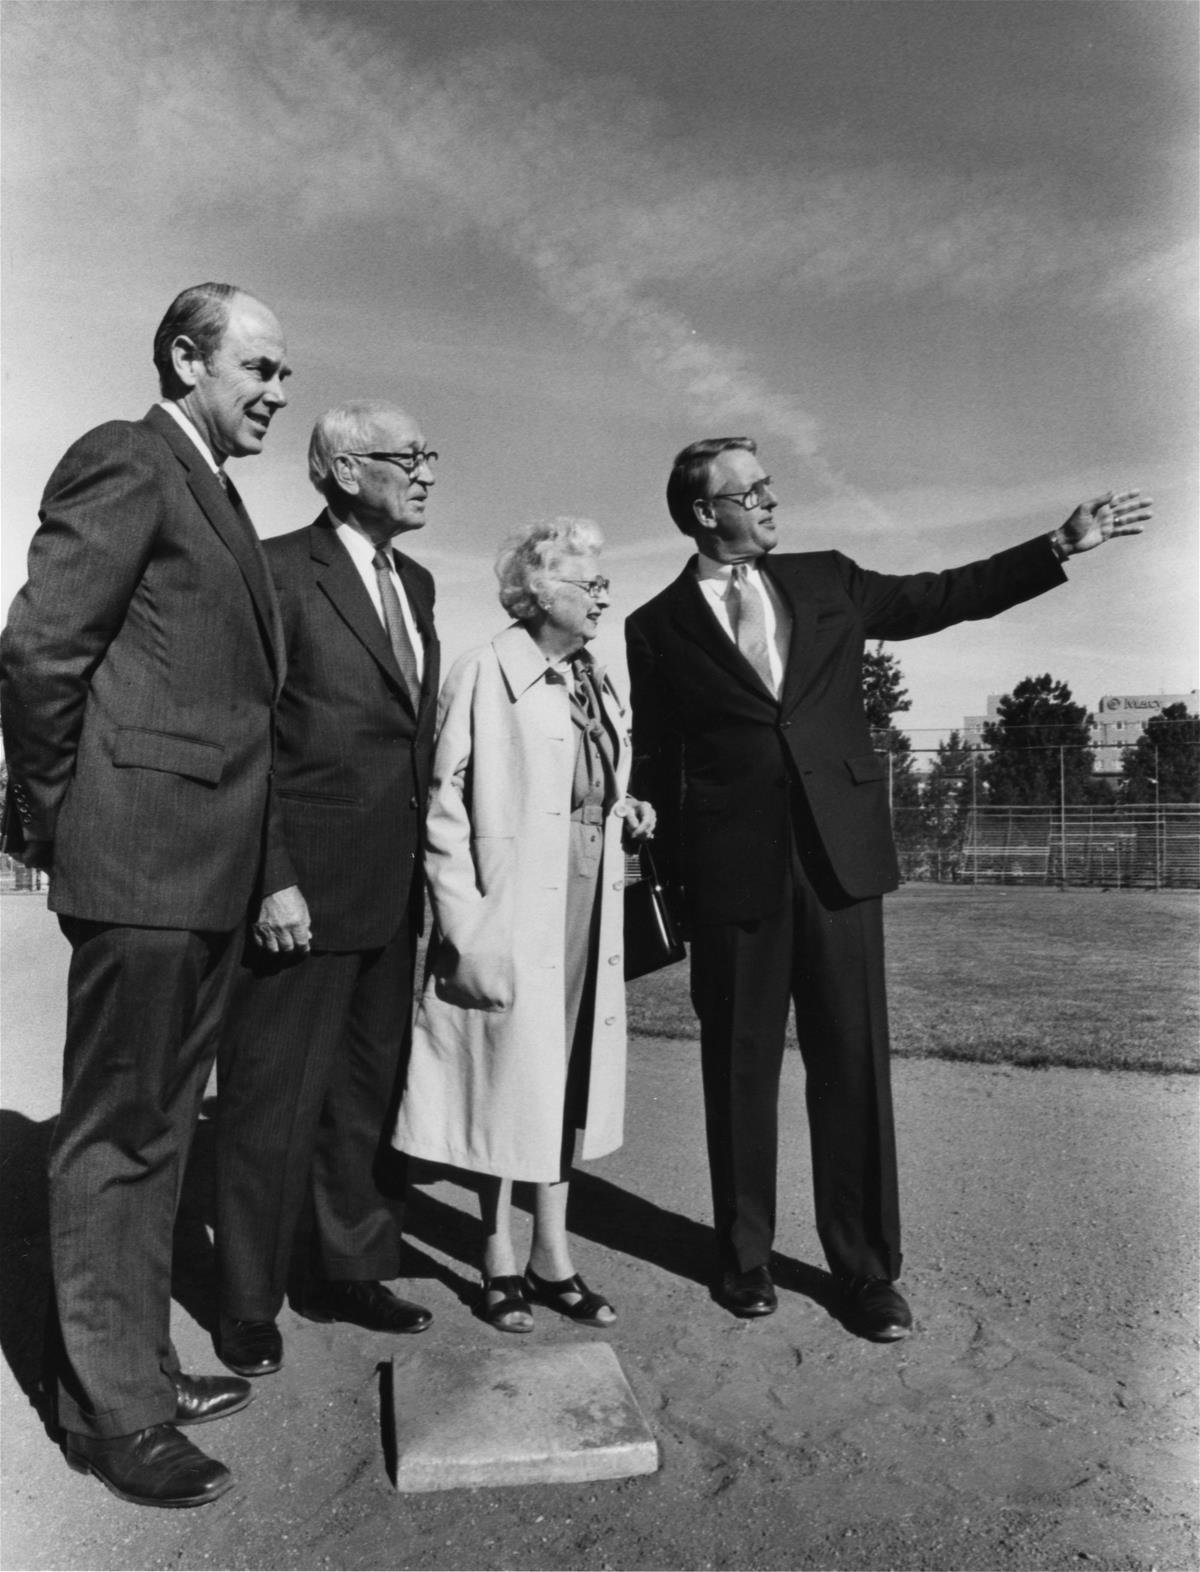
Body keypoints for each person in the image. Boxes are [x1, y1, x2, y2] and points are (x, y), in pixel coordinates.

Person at [626, 437, 1151, 1339]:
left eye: (770, 485)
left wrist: (1056, 547)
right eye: (752, 490)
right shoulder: (654, 625)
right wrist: (656, 847)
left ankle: (866, 1271)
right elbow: (657, 752)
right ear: (705, 512)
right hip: (730, 870)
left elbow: (939, 597)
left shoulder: (830, 578)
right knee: (739, 1066)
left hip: (839, 860)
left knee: (852, 1063)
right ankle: (743, 1257)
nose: (772, 499)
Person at [0, 283, 307, 1507]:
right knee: (118, 1135)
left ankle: (123, 1371)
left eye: (286, 374)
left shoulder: (214, 489)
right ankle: (112, 1417)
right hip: (141, 859)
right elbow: (38, 650)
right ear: (187, 359)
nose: (279, 393)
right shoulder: (128, 458)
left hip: (201, 868)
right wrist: (62, 813)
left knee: (160, 1132)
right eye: (261, 369)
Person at [213, 401, 440, 1377]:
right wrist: (272, 878)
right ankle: (248, 1300)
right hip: (299, 893)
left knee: (363, 1094)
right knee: (273, 1100)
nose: (428, 471)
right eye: (408, 456)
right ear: (347, 470)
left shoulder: (418, 582)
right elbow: (244, 737)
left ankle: (347, 1267)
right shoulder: (273, 572)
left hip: (393, 891)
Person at [393, 519, 655, 1332]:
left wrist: (624, 808)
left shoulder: (597, 681)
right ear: (539, 593)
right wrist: (465, 924)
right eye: (587, 582)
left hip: (584, 902)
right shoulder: (482, 672)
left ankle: (554, 1254)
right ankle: (497, 1255)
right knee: (505, 1079)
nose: (602, 593)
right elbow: (441, 808)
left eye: (602, 580)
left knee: (564, 1077)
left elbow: (592, 781)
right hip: (509, 908)